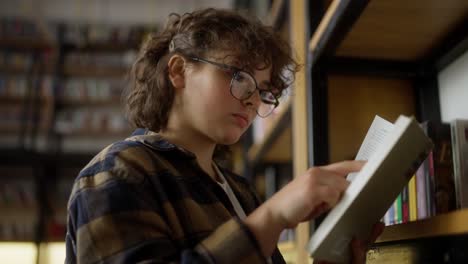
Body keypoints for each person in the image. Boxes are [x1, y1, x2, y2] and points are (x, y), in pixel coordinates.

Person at [65, 8, 383, 264]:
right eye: (237, 76)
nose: (252, 100)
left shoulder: (240, 191)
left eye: (263, 91)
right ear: (178, 71)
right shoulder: (116, 172)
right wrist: (273, 216)